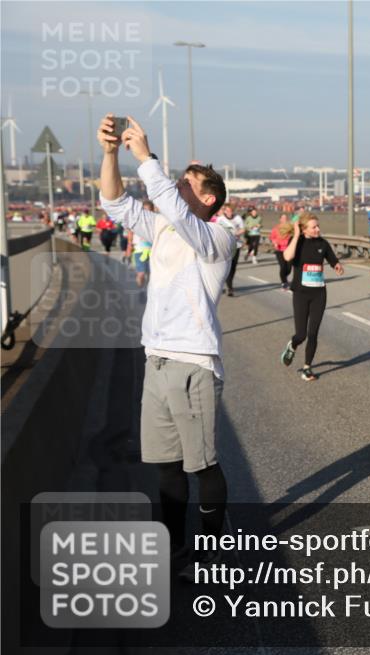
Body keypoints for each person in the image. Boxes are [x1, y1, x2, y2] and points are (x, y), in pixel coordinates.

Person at [97, 113, 235, 576]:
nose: (175, 185)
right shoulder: (165, 228)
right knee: (166, 467)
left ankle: (213, 548)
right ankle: (175, 547)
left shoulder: (217, 236)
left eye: (185, 182)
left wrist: (148, 159)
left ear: (208, 198)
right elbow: (115, 204)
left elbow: (174, 209)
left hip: (192, 362)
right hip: (155, 360)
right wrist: (113, 153)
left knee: (202, 465)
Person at [279, 214, 345, 381]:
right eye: (314, 227)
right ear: (304, 229)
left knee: (313, 333)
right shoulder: (298, 243)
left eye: (318, 226)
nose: (318, 229)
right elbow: (287, 257)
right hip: (301, 294)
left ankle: (307, 368)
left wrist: (337, 266)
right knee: (301, 335)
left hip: (319, 294)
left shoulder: (323, 243)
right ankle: (292, 345)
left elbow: (332, 260)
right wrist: (295, 235)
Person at [216, 203, 244, 296]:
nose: (229, 212)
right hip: (225, 246)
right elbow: (216, 231)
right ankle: (229, 287)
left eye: (231, 211)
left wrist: (236, 233)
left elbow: (243, 229)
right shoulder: (220, 219)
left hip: (236, 245)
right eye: (227, 210)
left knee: (233, 267)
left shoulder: (238, 218)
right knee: (225, 266)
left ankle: (229, 284)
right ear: (224, 211)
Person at [270, 213, 294, 289]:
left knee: (289, 268)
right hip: (279, 250)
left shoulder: (290, 228)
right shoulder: (276, 228)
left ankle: (284, 277)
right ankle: (284, 282)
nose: (284, 220)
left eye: (286, 218)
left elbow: (294, 236)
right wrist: (275, 243)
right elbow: (272, 237)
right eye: (283, 218)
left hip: (289, 250)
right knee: (283, 266)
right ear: (280, 219)